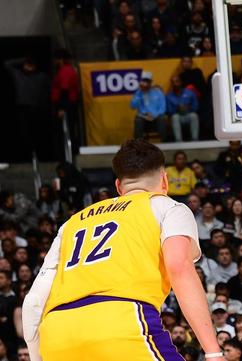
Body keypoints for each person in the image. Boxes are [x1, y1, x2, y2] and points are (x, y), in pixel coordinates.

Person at [21, 139, 223, 361]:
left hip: (57, 335)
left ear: (118, 187)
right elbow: (178, 266)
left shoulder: (72, 223)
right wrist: (213, 352)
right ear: (165, 181)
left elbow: (33, 302)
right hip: (121, 321)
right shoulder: (167, 207)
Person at [130, 71, 167, 141]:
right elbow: (132, 106)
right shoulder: (138, 93)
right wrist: (139, 93)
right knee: (138, 120)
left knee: (162, 119)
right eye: (144, 81)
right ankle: (138, 143)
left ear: (151, 82)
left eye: (147, 81)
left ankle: (165, 142)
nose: (145, 83)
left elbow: (163, 108)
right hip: (144, 118)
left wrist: (154, 115)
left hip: (156, 118)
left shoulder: (157, 92)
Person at [166, 75, 199, 142]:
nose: (175, 84)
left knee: (194, 115)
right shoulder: (169, 96)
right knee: (175, 117)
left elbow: (196, 106)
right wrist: (177, 109)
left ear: (181, 82)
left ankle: (195, 139)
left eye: (177, 81)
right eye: (173, 82)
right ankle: (178, 141)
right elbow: (168, 111)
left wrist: (188, 108)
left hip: (188, 114)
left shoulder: (190, 93)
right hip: (178, 116)